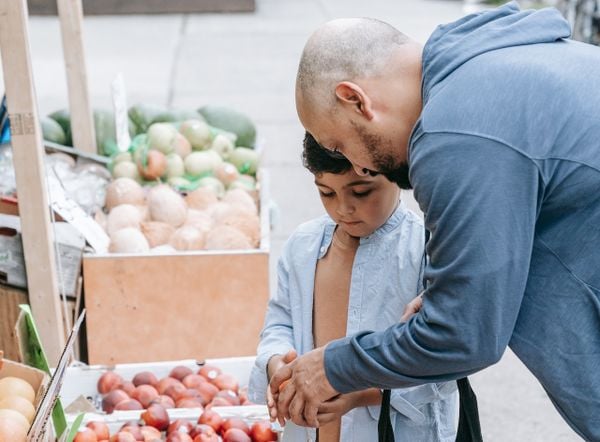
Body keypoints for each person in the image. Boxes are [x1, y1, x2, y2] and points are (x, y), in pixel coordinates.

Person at [268, 2, 600, 440]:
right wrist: (465, 288)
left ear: (355, 100)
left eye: (341, 144)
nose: (360, 167)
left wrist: (333, 366)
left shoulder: (454, 133)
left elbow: (464, 335)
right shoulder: (483, 66)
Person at [248, 133, 458, 441]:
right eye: (326, 193)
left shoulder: (427, 250)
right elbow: (280, 322)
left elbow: (444, 362)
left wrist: (357, 394)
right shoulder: (302, 246)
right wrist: (277, 363)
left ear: (395, 174)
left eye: (360, 192)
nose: (343, 209)